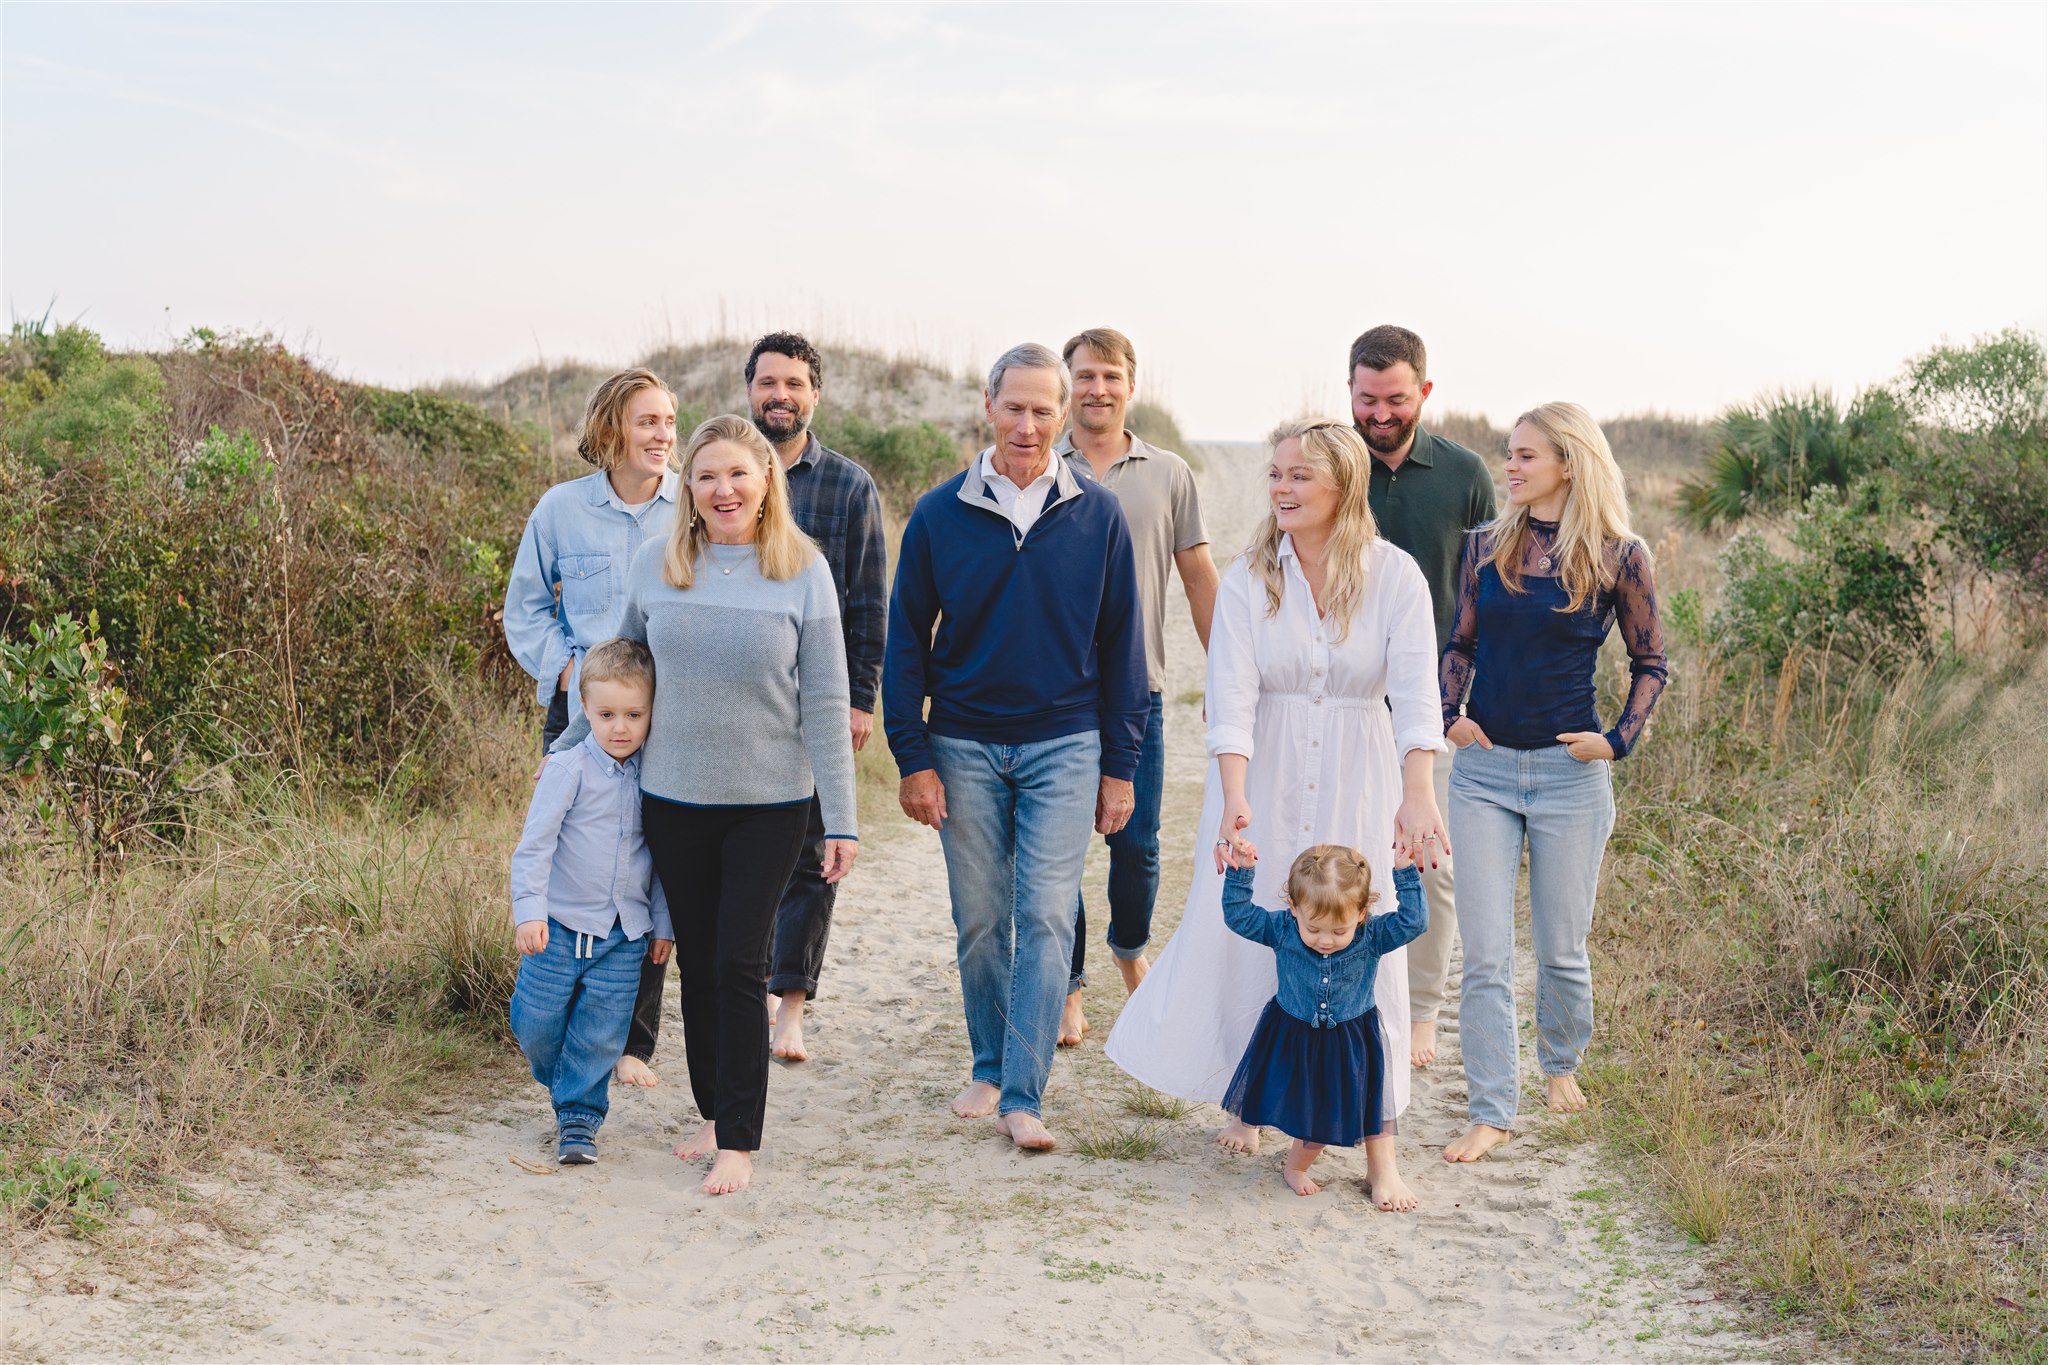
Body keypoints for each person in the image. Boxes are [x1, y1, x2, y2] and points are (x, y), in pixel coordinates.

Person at [1105, 418, 1448, 1212]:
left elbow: (1415, 693)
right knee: (1258, 925)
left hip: (1359, 771)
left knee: (1358, 937)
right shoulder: (1251, 576)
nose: (1282, 488)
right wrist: (1233, 798)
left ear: (1343, 485)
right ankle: (1250, 1102)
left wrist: (1417, 787)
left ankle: (1376, 1137)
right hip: (1268, 765)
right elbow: (1231, 697)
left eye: (1300, 476)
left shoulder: (1393, 575)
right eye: (1276, 474)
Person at [552, 414, 859, 1195]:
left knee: (739, 961)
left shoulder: (804, 571)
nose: (723, 488)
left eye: (737, 474)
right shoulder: (661, 566)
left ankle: (741, 1142)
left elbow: (826, 699)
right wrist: (568, 754)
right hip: (673, 799)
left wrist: (844, 818)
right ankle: (715, 1112)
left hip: (770, 803)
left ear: (765, 484)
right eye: (707, 474)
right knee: (694, 960)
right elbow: (617, 671)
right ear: (688, 487)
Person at [883, 342, 1147, 1154]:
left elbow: (1122, 649)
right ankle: (989, 1062)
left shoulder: (1098, 514)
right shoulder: (938, 514)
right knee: (981, 918)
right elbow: (904, 647)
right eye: (1015, 407)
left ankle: (1023, 1095)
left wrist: (1120, 768)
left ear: (1064, 416)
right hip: (962, 742)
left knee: (1042, 915)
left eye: (1044, 409)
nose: (1028, 424)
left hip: (1066, 744)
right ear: (987, 408)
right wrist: (913, 756)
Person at [1438, 402, 1667, 1164]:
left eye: (1526, 455)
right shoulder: (1483, 547)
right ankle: (1491, 1107)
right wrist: (1449, 715)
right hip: (1485, 774)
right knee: (1486, 955)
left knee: (1562, 948)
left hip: (1571, 777)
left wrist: (1616, 741)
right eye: (1509, 453)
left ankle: (1561, 1061)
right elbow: (1459, 642)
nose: (1510, 466)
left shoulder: (1618, 554)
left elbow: (1650, 662)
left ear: (1568, 462)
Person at [503, 369, 681, 1092]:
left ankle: (632, 1041)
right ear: (611, 429)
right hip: (580, 714)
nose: (663, 435)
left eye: (669, 421)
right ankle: (560, 1011)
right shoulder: (560, 510)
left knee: (650, 854)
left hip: (666, 717)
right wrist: (571, 673)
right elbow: (525, 609)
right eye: (647, 422)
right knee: (575, 844)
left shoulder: (690, 509)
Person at [1054, 328, 1218, 1047]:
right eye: (1084, 375)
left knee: (1138, 844)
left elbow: (1198, 576)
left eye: (1110, 375)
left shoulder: (1169, 472)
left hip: (1138, 691)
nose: (1097, 388)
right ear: (1067, 383)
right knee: (1058, 847)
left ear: (1130, 384)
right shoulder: (1035, 460)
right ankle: (1067, 986)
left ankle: (1127, 945)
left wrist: (1228, 671)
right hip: (1054, 693)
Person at [1349, 326, 1498, 1069]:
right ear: (1349, 391)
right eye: (1367, 398)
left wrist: (1474, 702)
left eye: (1395, 398)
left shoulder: (1466, 473)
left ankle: (1421, 1010)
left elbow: (1488, 593)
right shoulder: (1331, 465)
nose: (1379, 413)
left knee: (1426, 862)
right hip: (1341, 696)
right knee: (1339, 850)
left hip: (1431, 706)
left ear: (1424, 394)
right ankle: (1343, 993)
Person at [748, 333, 887, 1064]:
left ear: (814, 395)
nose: (781, 394)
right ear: (750, 391)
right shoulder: (723, 473)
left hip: (816, 702)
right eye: (768, 381)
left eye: (794, 383)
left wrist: (860, 700)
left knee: (812, 855)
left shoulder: (850, 486)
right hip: (738, 705)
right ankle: (757, 986)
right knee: (750, 853)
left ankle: (791, 1006)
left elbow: (869, 602)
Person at [507, 638, 675, 1166]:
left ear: (652, 713)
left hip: (624, 936)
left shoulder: (657, 775)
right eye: (606, 714)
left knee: (602, 1034)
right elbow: (536, 844)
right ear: (585, 710)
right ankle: (563, 1079)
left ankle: (579, 1119)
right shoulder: (567, 768)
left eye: (633, 714)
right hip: (557, 927)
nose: (619, 727)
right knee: (536, 1025)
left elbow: (666, 859)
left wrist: (663, 924)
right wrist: (530, 910)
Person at [1216, 843, 1429, 1197]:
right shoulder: (1282, 928)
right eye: (1313, 929)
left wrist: (1405, 872)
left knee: (1321, 1117)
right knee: (1268, 1089)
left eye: (1338, 931)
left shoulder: (1373, 935)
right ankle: (1245, 1123)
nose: (1325, 940)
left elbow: (1415, 921)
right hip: (1289, 1033)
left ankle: (1295, 1166)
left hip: (1346, 1042)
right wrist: (1241, 873)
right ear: (1294, 908)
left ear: (1361, 913)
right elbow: (1239, 917)